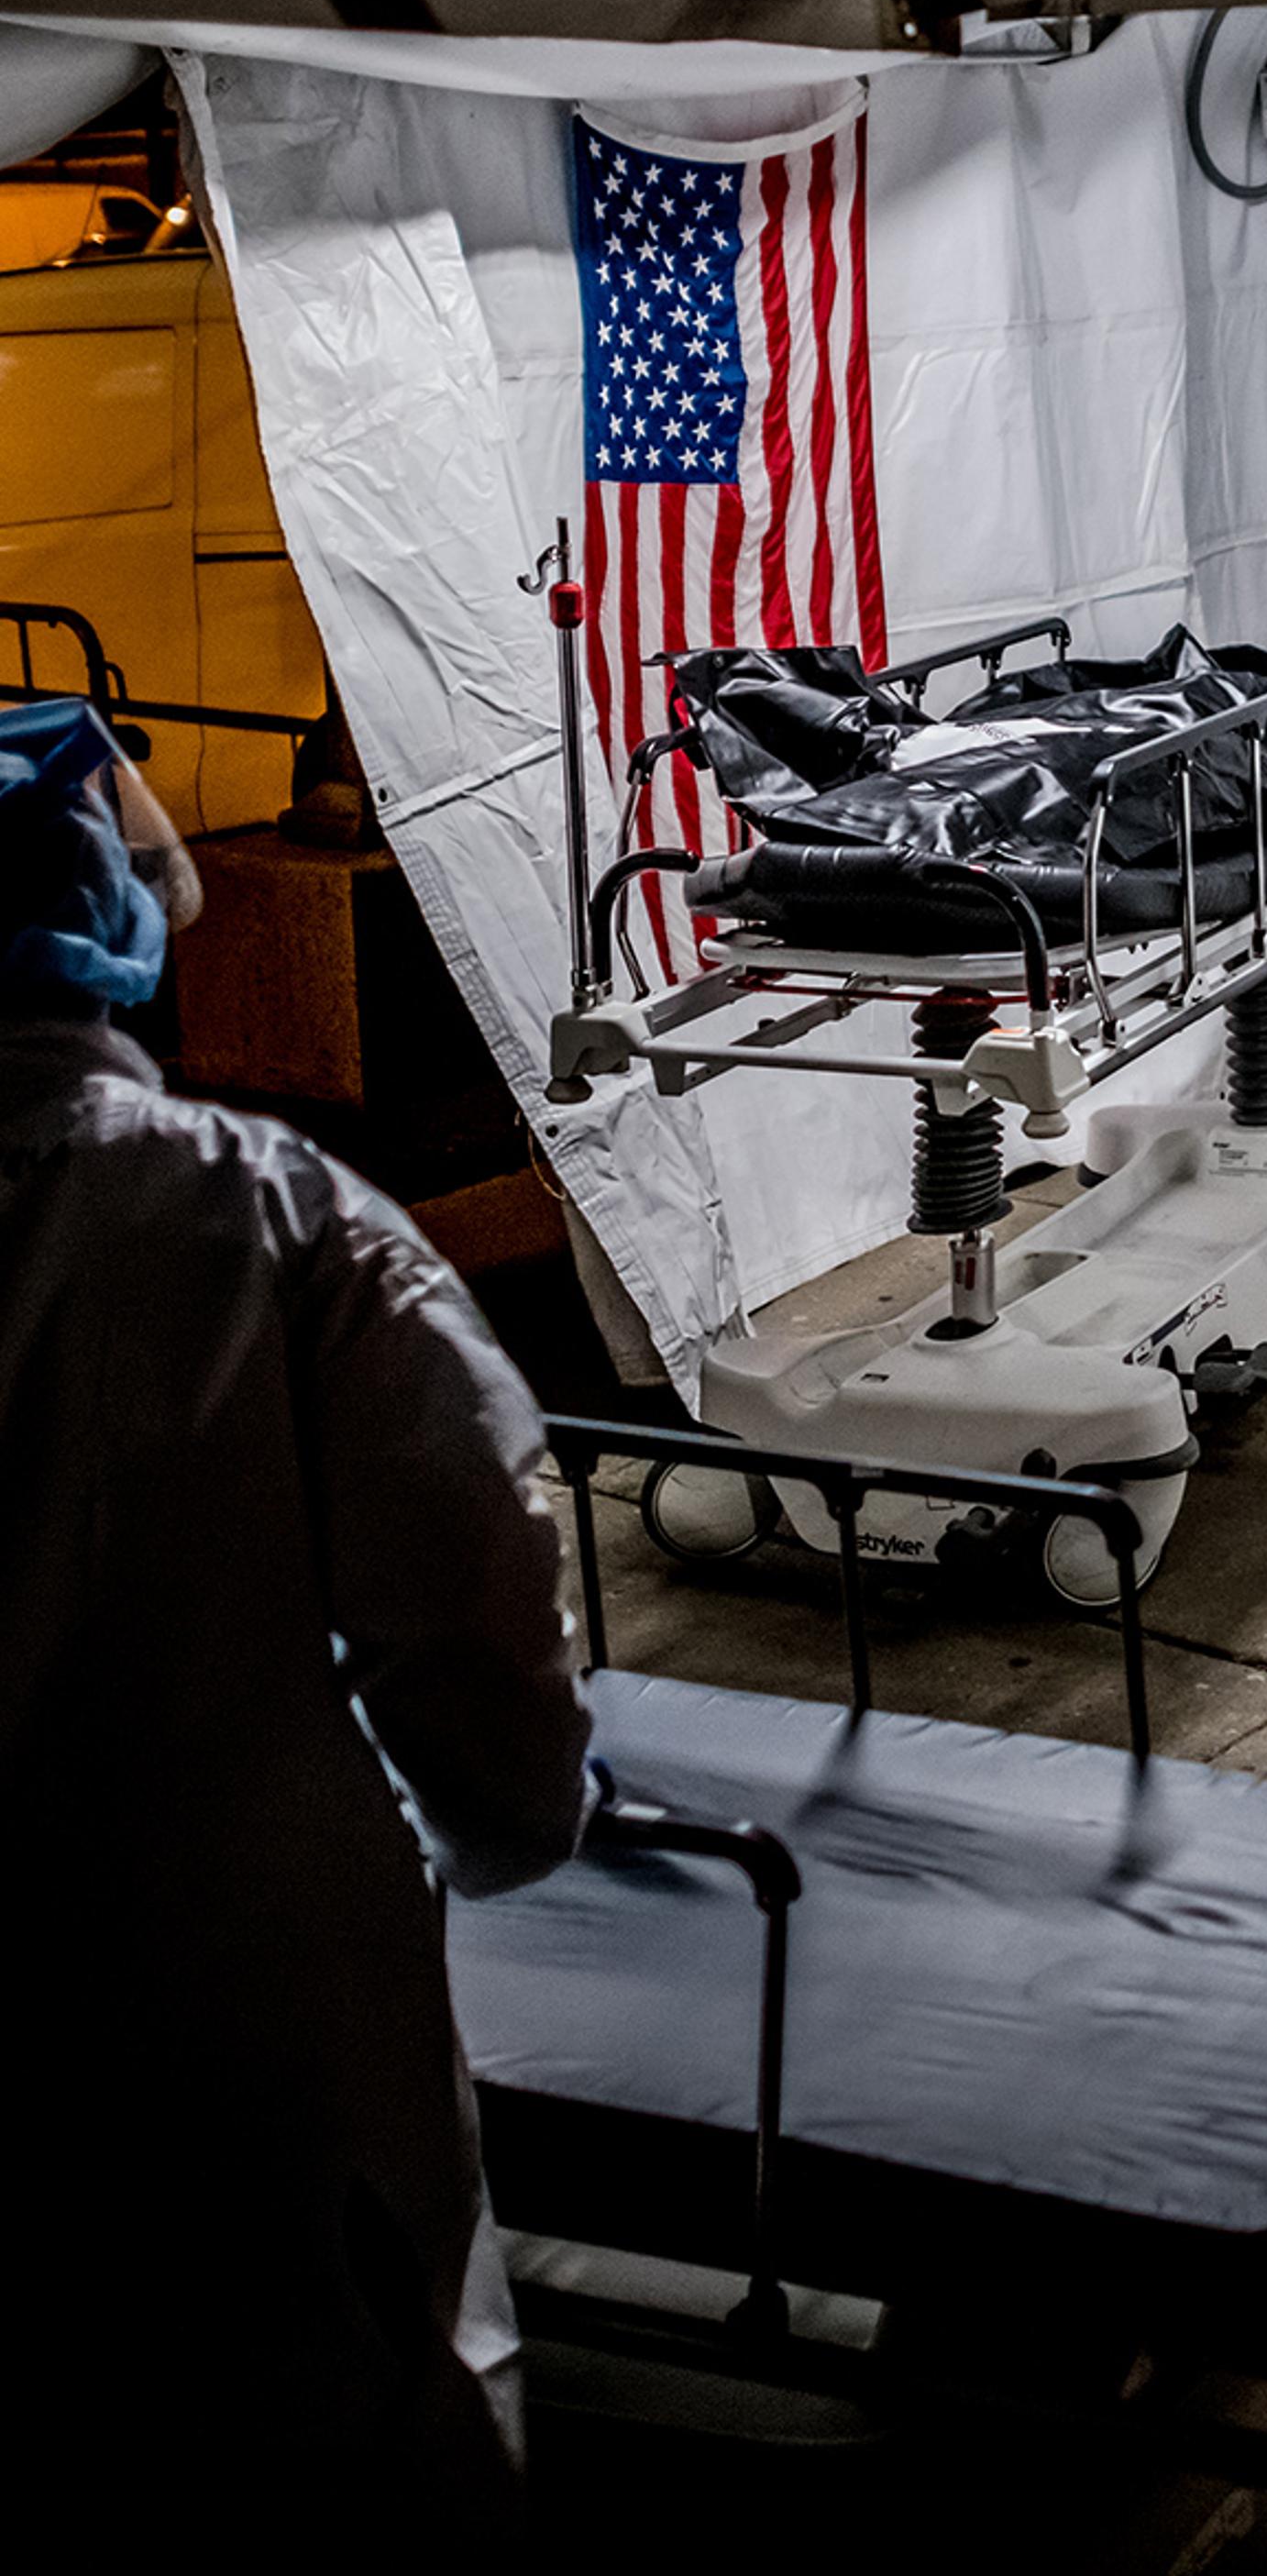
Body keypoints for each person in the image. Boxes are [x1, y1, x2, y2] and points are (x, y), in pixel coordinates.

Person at [0, 697, 594, 2542]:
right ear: (102, 924)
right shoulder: (265, 1226)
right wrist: (510, 1826)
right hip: (231, 2004)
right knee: (333, 2427)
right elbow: (477, 1606)